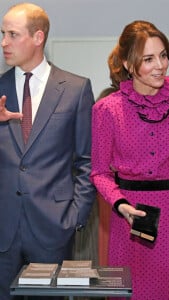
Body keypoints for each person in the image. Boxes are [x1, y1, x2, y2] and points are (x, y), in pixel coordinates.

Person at [90, 20, 169, 300]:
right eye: (148, 59)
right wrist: (120, 204)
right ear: (128, 63)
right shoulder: (106, 110)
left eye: (163, 55)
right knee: (130, 293)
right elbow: (99, 172)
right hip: (129, 217)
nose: (160, 65)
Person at [0, 3, 96, 299]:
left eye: (12, 34)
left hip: (54, 228)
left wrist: (74, 218)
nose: (4, 42)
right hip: (3, 230)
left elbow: (87, 161)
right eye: (2, 34)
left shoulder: (75, 89)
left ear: (38, 37)